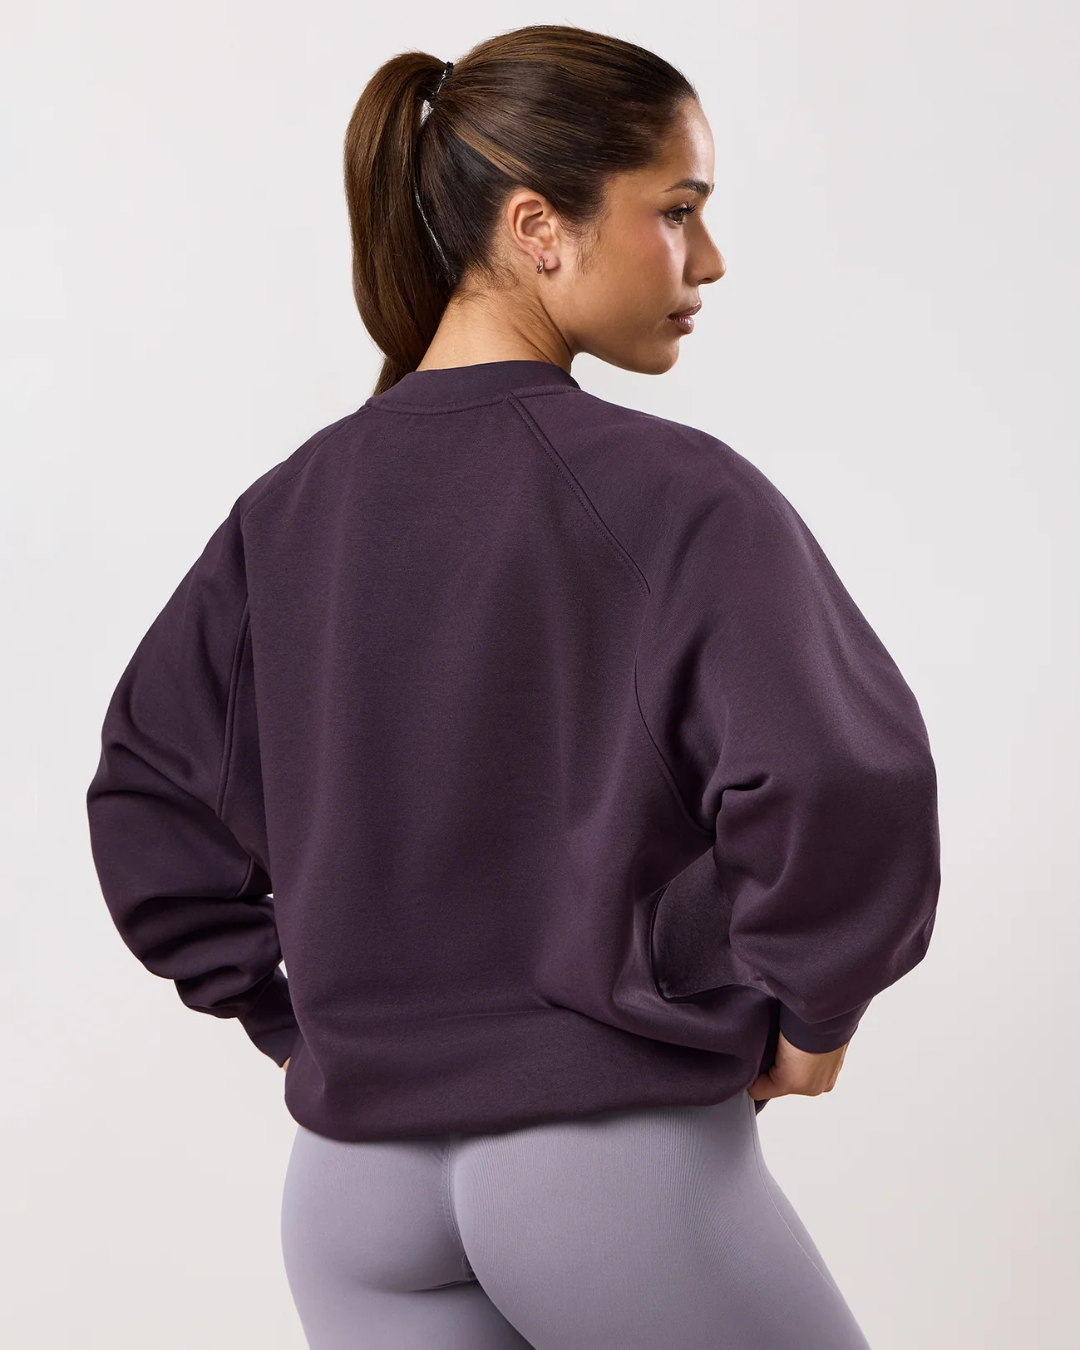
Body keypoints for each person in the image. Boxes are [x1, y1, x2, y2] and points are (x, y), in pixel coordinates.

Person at [85, 22, 940, 1350]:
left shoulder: (287, 512)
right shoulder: (677, 495)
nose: (709, 258)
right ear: (539, 225)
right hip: (610, 1166)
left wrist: (301, 1024)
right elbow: (837, 774)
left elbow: (150, 804)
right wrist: (814, 1006)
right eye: (678, 210)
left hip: (354, 1189)